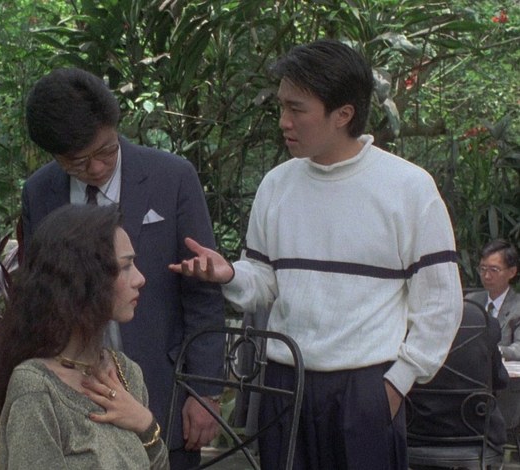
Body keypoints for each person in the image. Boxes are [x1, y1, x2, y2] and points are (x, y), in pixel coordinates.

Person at [169, 39, 463, 469]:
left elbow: (440, 303)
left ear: (343, 114)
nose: (284, 122)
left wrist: (396, 384)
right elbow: (265, 284)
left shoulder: (408, 188)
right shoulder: (277, 185)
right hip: (285, 382)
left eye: (296, 109)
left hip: (367, 387)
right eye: (282, 107)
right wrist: (229, 274)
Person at [20, 67, 225, 468]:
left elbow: (202, 289)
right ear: (54, 155)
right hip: (76, 401)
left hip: (166, 390)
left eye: (106, 151)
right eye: (78, 162)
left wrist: (205, 390)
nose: (97, 169)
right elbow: (39, 296)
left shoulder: (172, 177)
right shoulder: (40, 192)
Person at [0, 204, 169, 469]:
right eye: (125, 266)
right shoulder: (38, 388)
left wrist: (146, 424)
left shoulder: (126, 373)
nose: (140, 278)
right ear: (81, 279)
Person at [407, 299, 508, 455]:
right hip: (476, 431)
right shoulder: (483, 321)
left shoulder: (407, 319)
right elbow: (500, 379)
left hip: (417, 429)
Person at [466, 239, 520, 359]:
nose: (487, 276)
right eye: (483, 269)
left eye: (494, 270)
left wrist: (494, 351)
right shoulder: (470, 301)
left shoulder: (517, 306)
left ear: (512, 272)